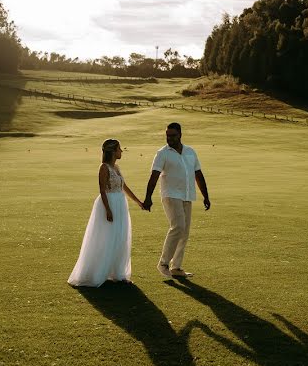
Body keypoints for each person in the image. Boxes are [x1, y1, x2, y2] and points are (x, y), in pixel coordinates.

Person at [68, 139, 145, 287]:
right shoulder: (104, 168)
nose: (121, 151)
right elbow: (102, 190)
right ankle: (99, 273)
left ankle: (118, 273)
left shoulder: (116, 167)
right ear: (113, 151)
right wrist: (108, 209)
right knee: (107, 237)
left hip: (120, 203)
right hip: (109, 203)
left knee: (120, 237)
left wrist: (138, 201)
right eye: (119, 149)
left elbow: (124, 186)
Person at [143, 122, 210, 278]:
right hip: (171, 195)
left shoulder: (190, 152)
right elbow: (154, 176)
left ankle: (176, 267)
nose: (169, 138)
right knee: (178, 226)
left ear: (180, 134)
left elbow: (198, 174)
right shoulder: (162, 153)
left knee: (184, 232)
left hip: (187, 195)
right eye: (167, 135)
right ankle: (163, 263)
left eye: (172, 135)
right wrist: (148, 197)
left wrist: (206, 196)